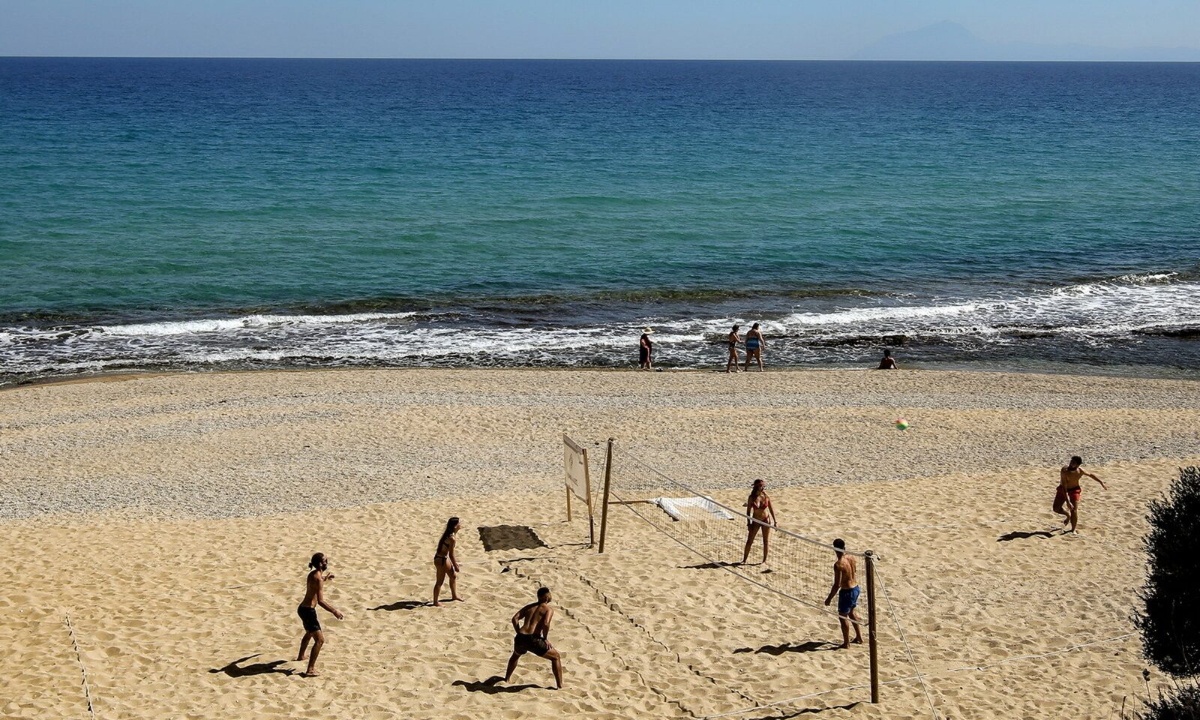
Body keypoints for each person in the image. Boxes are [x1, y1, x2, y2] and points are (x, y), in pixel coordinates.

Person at [504, 587, 564, 689]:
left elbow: (515, 619)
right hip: (532, 639)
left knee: (515, 655)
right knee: (556, 657)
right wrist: (545, 638)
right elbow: (546, 623)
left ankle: (506, 679)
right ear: (546, 597)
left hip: (520, 637)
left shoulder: (529, 607)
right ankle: (560, 685)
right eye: (549, 595)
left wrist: (518, 632)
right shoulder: (548, 609)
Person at [296, 552, 344, 677]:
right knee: (320, 640)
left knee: (309, 632)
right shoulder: (318, 578)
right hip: (308, 611)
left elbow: (317, 583)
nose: (327, 563)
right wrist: (335, 611)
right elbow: (321, 601)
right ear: (320, 564)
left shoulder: (313, 574)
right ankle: (310, 669)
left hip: (302, 608)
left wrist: (326, 579)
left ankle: (301, 656)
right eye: (325, 561)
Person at [823, 539, 864, 649]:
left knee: (843, 617)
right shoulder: (851, 557)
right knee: (851, 613)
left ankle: (846, 643)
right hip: (856, 588)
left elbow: (837, 585)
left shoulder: (838, 565)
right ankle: (859, 637)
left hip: (847, 592)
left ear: (834, 549)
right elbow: (854, 571)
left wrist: (829, 599)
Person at [1054, 456, 1107, 533]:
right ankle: (1067, 515)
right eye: (1071, 461)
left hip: (1074, 490)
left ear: (1077, 465)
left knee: (1074, 510)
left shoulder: (1080, 471)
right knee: (1056, 508)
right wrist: (1068, 502)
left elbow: (1090, 474)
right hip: (1063, 489)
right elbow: (1064, 487)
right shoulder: (1064, 470)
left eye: (1073, 463)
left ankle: (1073, 530)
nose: (1071, 463)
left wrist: (1101, 482)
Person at [740, 479, 776, 565]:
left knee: (765, 541)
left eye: (764, 486)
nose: (763, 487)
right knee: (750, 541)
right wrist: (748, 523)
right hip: (755, 520)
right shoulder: (751, 497)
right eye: (761, 486)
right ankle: (744, 560)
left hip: (766, 520)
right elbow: (748, 511)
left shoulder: (766, 496)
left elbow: (771, 509)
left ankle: (764, 561)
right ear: (756, 487)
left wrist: (775, 521)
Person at [433, 517, 462, 606]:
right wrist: (456, 565)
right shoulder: (451, 538)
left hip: (442, 558)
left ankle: (454, 595)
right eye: (459, 523)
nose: (460, 524)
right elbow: (451, 554)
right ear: (455, 526)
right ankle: (435, 602)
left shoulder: (449, 534)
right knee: (439, 582)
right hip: (441, 559)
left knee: (453, 576)